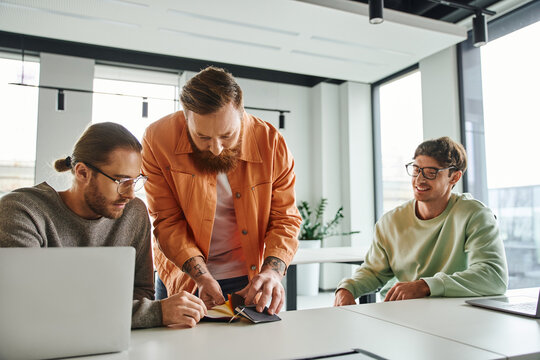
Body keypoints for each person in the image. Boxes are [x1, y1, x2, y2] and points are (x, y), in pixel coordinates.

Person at [0, 122, 207, 328]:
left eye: (135, 181)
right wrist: (156, 312)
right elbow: (26, 306)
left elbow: (140, 293)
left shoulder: (133, 213)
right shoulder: (22, 211)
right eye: (121, 181)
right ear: (82, 173)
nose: (130, 194)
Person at [142, 66, 301, 316]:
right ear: (186, 119)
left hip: (251, 278)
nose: (215, 148)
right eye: (202, 137)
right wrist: (202, 277)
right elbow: (167, 220)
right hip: (184, 275)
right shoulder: (157, 139)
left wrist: (272, 272)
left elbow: (285, 218)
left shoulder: (272, 143)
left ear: (242, 115)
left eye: (227, 136)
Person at [334, 136, 508, 306]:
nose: (419, 180)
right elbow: (374, 271)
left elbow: (494, 277)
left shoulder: (475, 215)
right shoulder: (390, 222)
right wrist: (347, 289)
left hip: (456, 315)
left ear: (454, 177)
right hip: (404, 314)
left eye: (431, 173)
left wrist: (425, 286)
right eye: (416, 170)